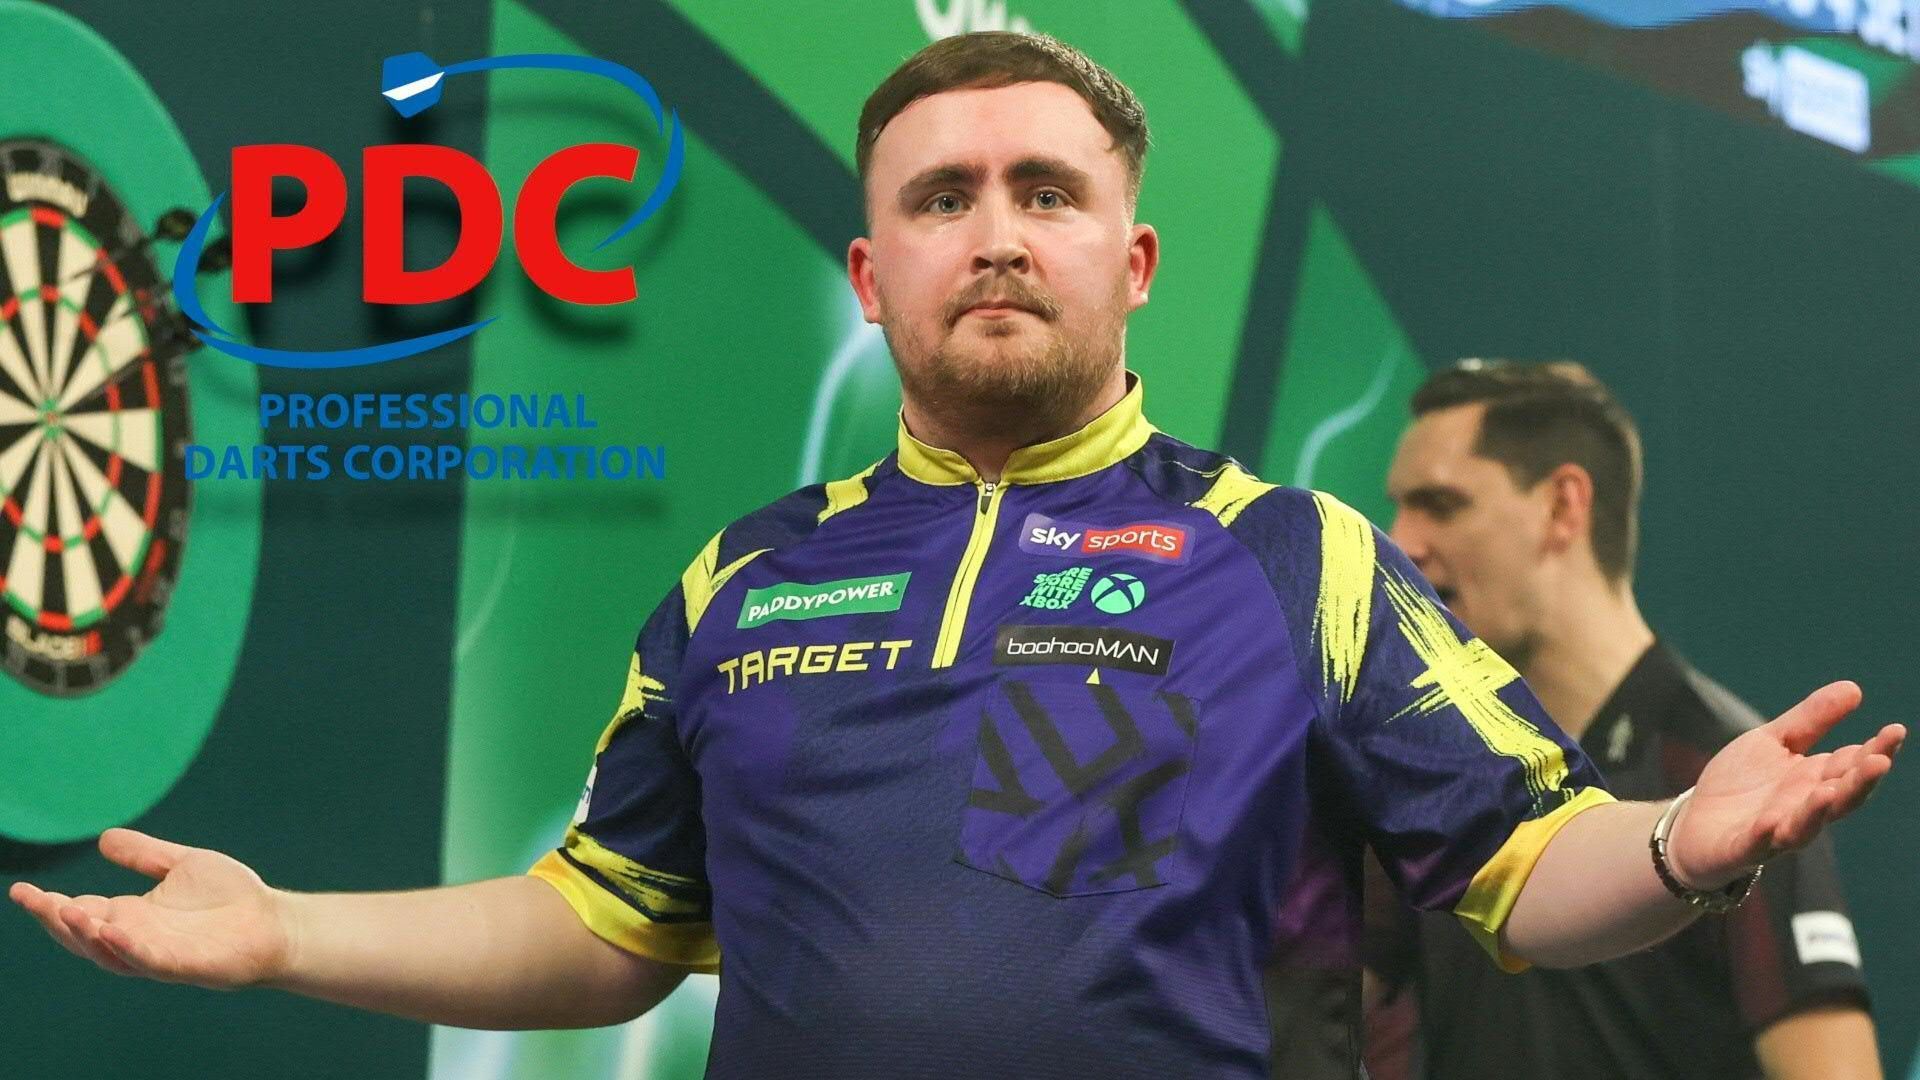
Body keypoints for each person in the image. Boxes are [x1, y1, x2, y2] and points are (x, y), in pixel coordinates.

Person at [8, 32, 1902, 1080]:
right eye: (943, 197)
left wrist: (1683, 844)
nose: (996, 231)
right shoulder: (741, 586)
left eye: (1046, 192)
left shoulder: (1292, 555)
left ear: (1131, 262)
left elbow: (1523, 863)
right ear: (871, 272)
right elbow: (602, 930)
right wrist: (281, 934)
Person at [1365, 360, 1880, 1080]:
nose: (1400, 542)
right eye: (1398, 508)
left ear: (1563, 507)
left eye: (1440, 505)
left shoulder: (1728, 777)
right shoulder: (1423, 768)